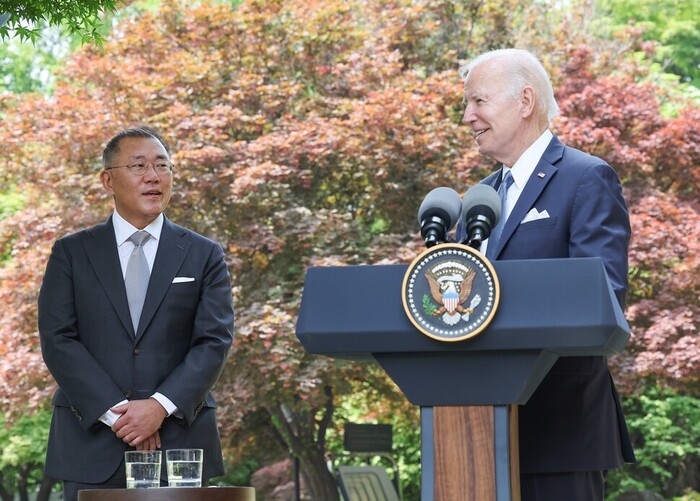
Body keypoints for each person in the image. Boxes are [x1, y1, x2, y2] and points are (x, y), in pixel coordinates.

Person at [456, 49, 635, 500]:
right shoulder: (476, 200)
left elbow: (603, 297)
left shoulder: (586, 178)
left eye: (478, 101)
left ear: (525, 101)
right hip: (471, 432)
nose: (467, 117)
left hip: (559, 432)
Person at [38, 126, 234, 500]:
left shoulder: (204, 254)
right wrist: (120, 415)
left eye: (163, 165)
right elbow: (58, 339)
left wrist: (159, 407)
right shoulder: (71, 253)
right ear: (108, 180)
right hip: (90, 443)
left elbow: (214, 341)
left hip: (181, 448)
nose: (153, 176)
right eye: (139, 165)